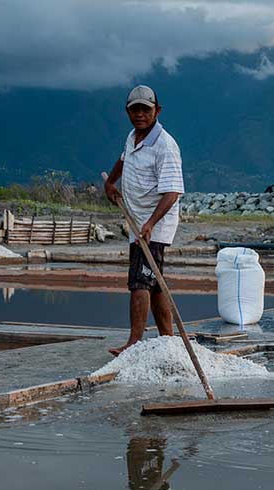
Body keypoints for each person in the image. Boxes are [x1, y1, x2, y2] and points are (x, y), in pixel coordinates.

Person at [103, 85, 184, 356]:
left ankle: (134, 344)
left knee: (139, 281)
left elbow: (172, 193)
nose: (140, 114)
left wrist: (150, 223)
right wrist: (111, 183)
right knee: (155, 282)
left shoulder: (165, 145)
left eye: (145, 110)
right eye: (134, 109)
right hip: (137, 222)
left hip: (154, 225)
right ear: (127, 111)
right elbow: (124, 159)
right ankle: (168, 339)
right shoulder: (133, 137)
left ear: (157, 111)